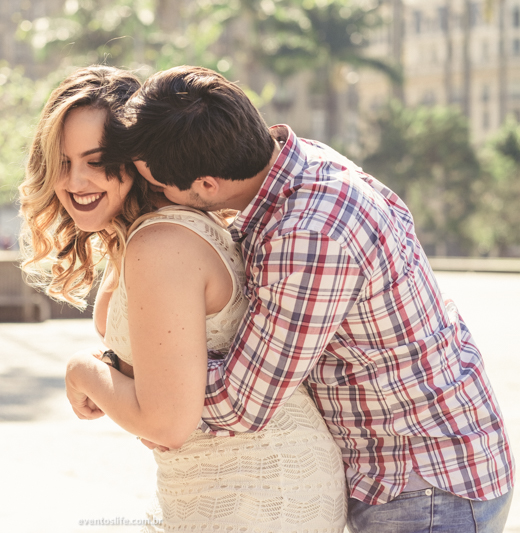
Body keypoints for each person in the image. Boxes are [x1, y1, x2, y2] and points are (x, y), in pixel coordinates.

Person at [77, 65, 514, 532]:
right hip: (416, 464)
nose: (158, 196)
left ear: (206, 186)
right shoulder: (302, 164)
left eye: (160, 185)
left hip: (423, 482)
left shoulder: (309, 234)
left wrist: (127, 390)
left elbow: (242, 403)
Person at [19, 65, 347, 532]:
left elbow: (167, 421)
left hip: (259, 493)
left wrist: (82, 371)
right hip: (219, 484)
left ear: (136, 158)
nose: (74, 181)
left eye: (95, 160)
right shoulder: (143, 236)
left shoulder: (162, 243)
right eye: (62, 163)